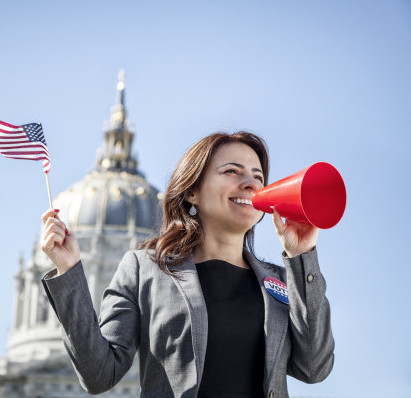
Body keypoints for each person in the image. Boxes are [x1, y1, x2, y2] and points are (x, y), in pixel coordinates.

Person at [39, 132, 334, 398]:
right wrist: (69, 270)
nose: (250, 184)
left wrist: (302, 256)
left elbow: (313, 367)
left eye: (258, 177)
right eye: (232, 171)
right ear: (192, 192)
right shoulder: (145, 269)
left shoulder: (282, 281)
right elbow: (99, 375)